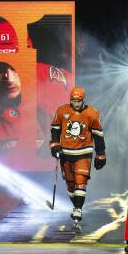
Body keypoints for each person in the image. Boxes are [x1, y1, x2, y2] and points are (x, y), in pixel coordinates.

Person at [50, 87, 106, 223]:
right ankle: (76, 206)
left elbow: (98, 135)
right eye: (73, 100)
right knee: (70, 184)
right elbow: (55, 129)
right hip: (66, 153)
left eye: (78, 101)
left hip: (83, 152)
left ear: (83, 100)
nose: (76, 103)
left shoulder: (92, 113)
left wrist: (101, 154)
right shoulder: (62, 111)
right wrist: (55, 145)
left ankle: (78, 209)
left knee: (80, 181)